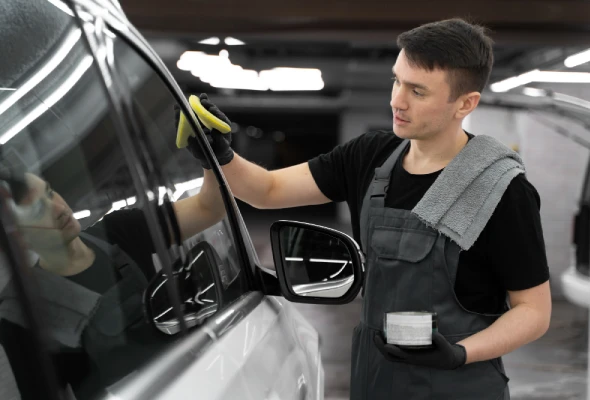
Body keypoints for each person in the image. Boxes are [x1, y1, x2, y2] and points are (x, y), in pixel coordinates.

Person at [180, 18, 551, 399]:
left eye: (417, 91)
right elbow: (267, 191)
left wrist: (460, 353)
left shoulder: (500, 189)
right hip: (376, 380)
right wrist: (220, 154)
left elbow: (534, 312)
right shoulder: (369, 156)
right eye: (397, 81)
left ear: (465, 104)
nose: (397, 101)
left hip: (460, 387)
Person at [0, 164, 226, 399]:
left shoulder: (118, 230)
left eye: (49, 193)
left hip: (194, 382)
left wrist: (213, 158)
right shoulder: (24, 314)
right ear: (19, 239)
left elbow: (209, 208)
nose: (58, 208)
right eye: (38, 210)